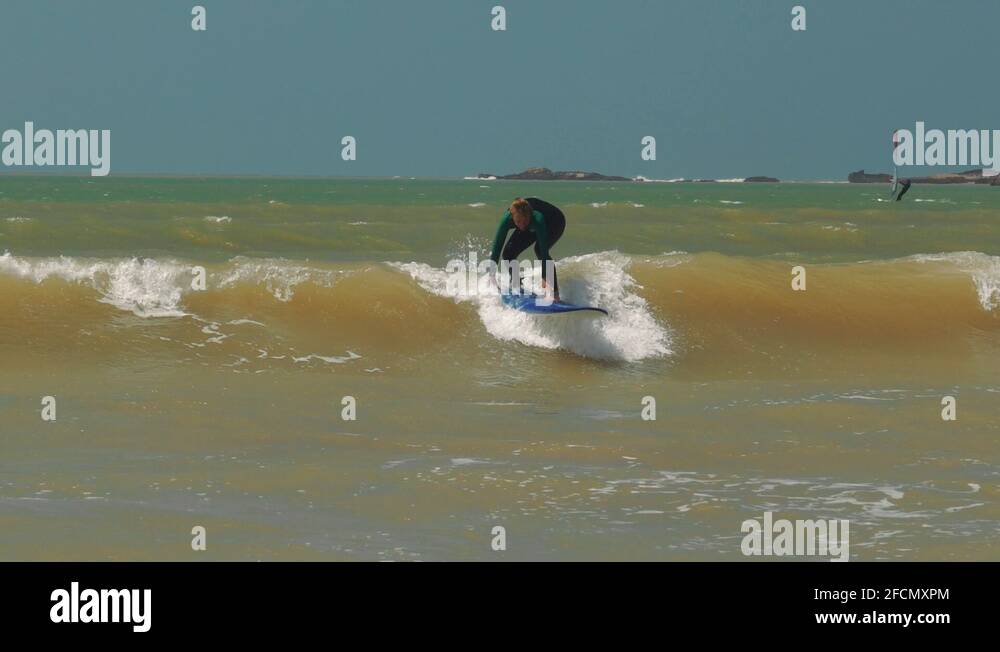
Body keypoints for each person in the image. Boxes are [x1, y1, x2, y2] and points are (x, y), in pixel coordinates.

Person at [489, 197, 565, 301]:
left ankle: (555, 294)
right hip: (532, 224)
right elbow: (497, 246)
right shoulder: (507, 220)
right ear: (512, 216)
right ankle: (517, 285)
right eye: (518, 221)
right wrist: (492, 275)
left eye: (524, 221)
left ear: (529, 215)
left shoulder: (537, 219)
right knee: (508, 253)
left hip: (555, 221)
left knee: (538, 249)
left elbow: (544, 252)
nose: (521, 225)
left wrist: (545, 276)